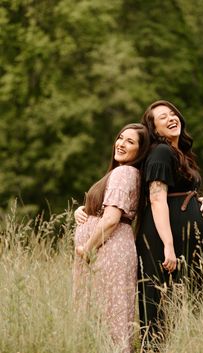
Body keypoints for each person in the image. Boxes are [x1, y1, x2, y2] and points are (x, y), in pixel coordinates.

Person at [136, 100, 203, 342]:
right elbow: (157, 198)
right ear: (154, 130)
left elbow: (178, 192)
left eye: (173, 114)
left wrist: (200, 200)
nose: (171, 118)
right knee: (158, 305)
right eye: (162, 117)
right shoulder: (161, 151)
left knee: (199, 296)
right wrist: (168, 245)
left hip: (188, 240)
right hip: (164, 239)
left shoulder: (179, 153)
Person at [73, 123, 150, 353]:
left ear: (141, 151)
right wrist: (83, 210)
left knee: (107, 317)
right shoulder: (125, 173)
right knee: (111, 313)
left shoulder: (124, 172)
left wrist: (88, 248)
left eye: (130, 142)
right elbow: (107, 211)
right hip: (111, 249)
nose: (121, 143)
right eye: (120, 138)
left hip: (107, 251)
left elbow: (111, 219)